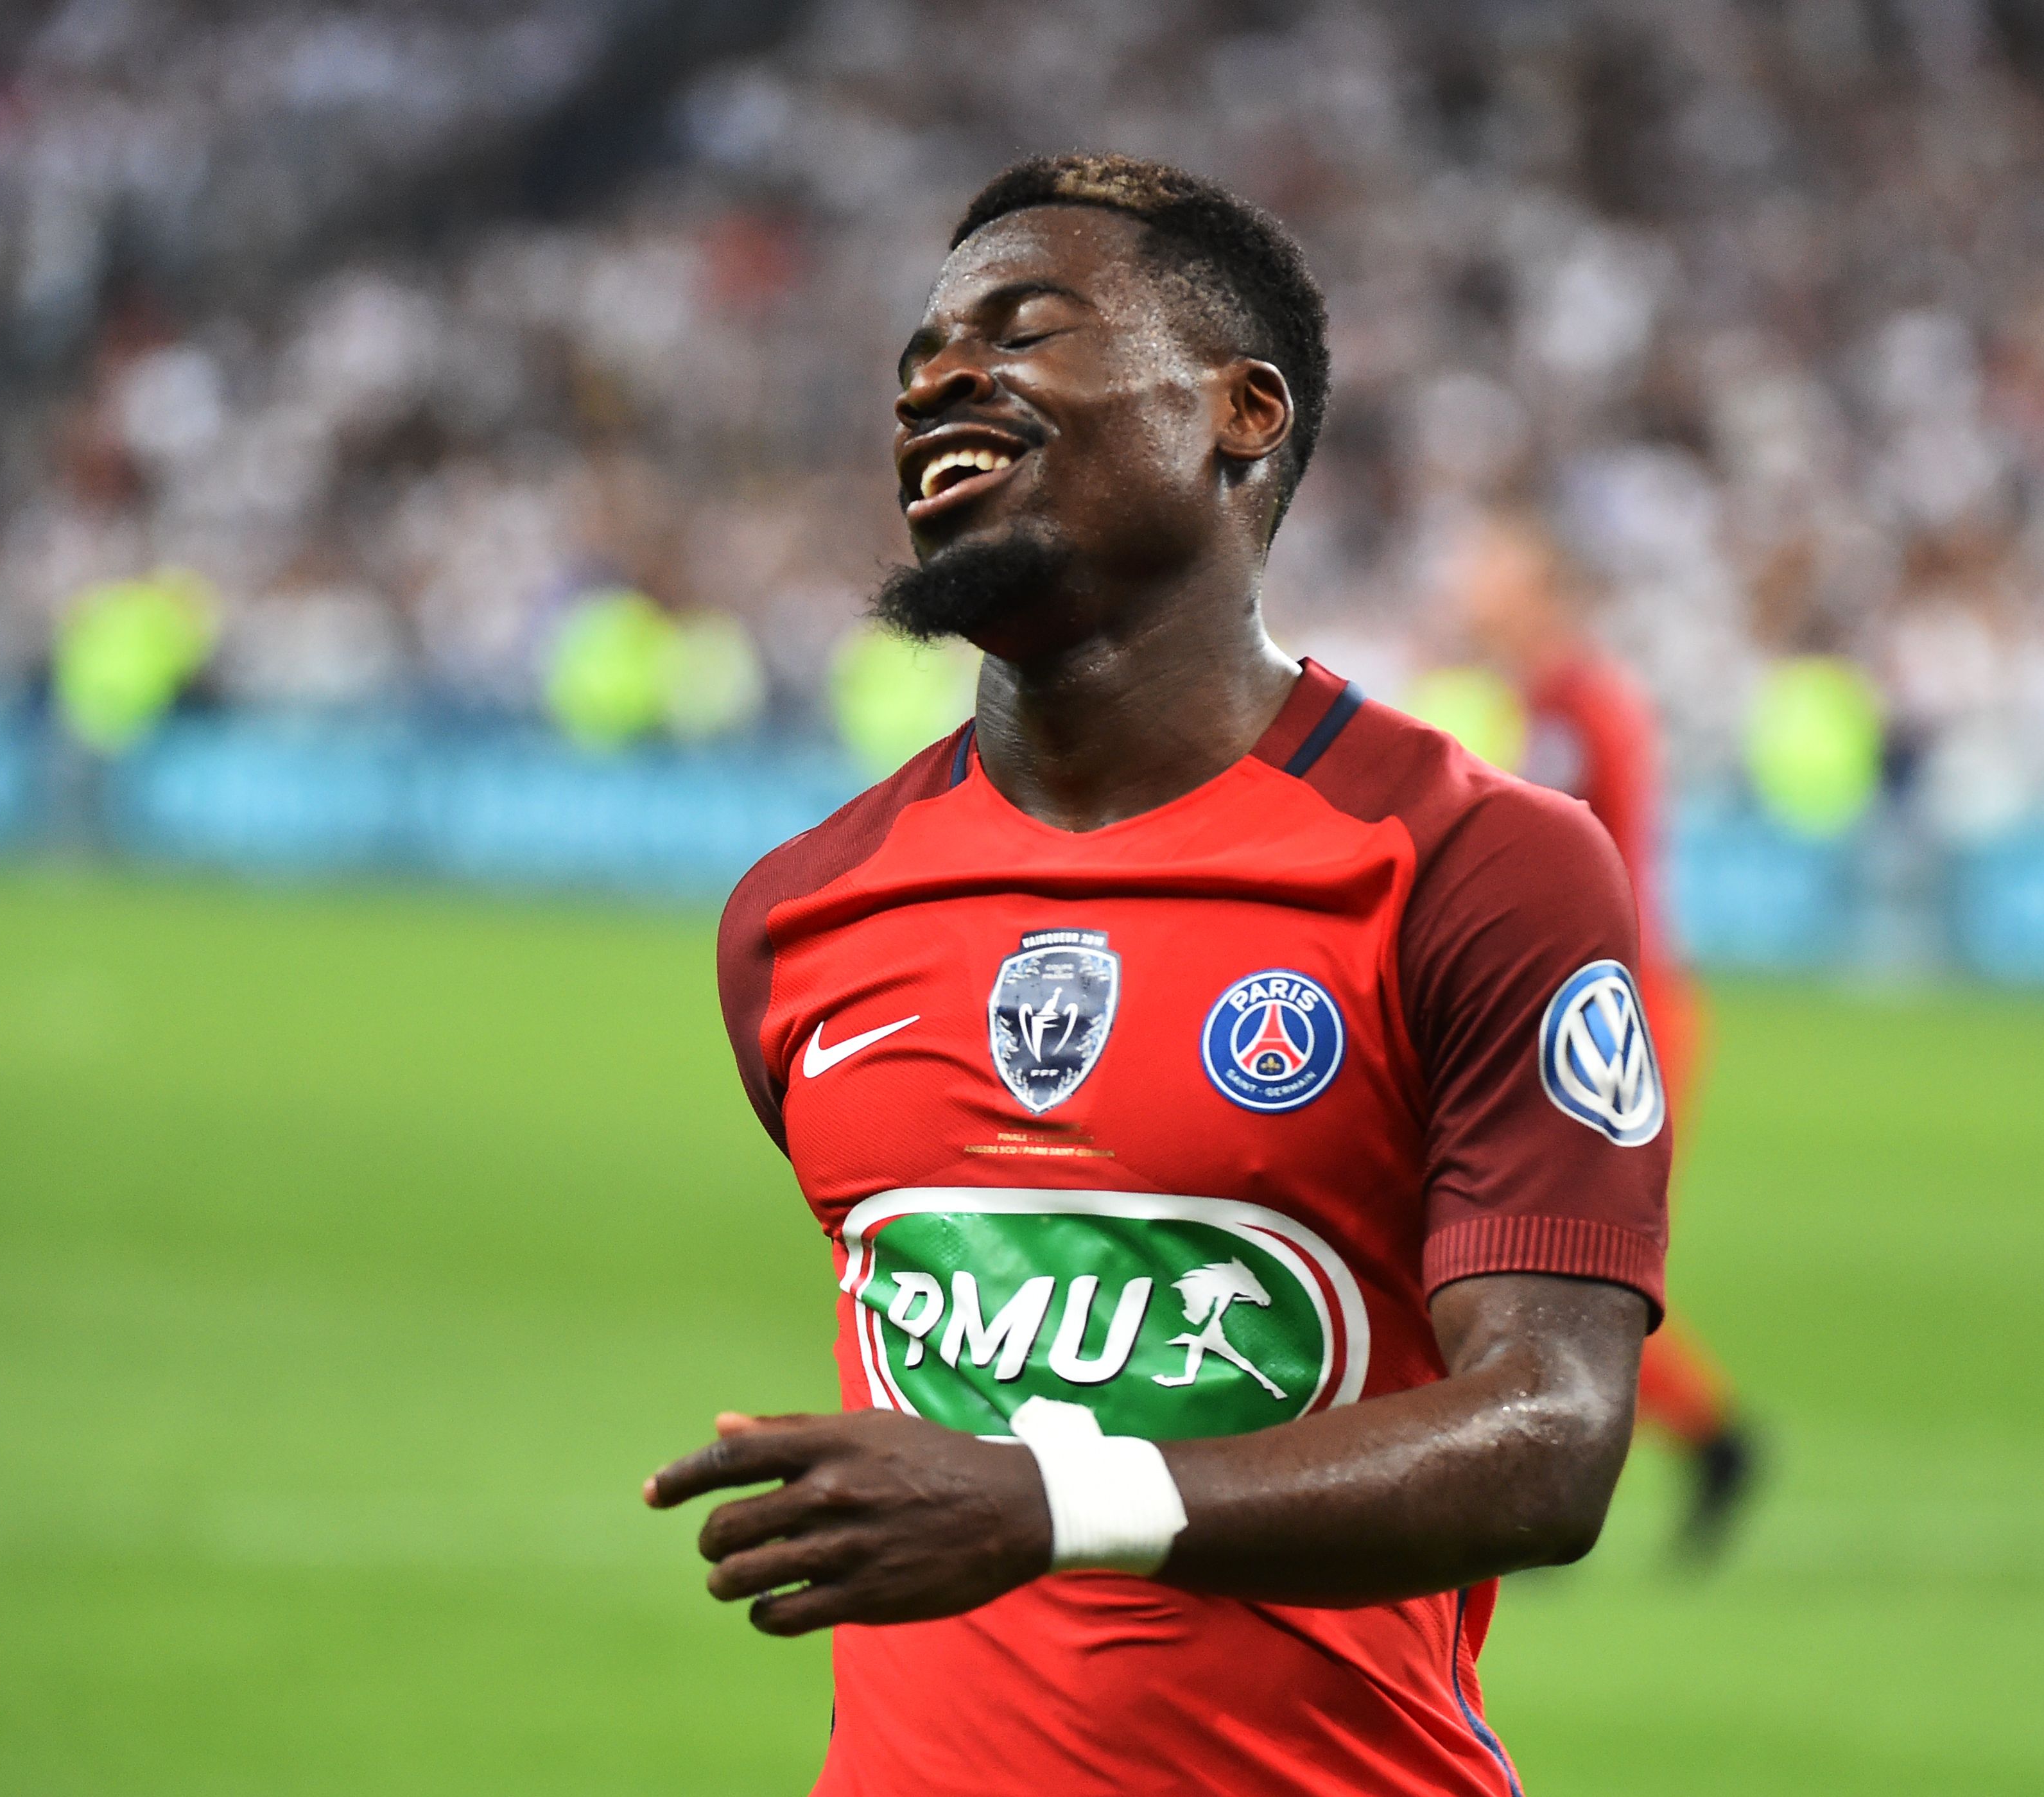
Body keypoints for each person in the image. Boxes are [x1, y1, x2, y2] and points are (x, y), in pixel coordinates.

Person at [646, 154, 1672, 1794]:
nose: (936, 381)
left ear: (1238, 413)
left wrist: (1054, 1499)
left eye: (1019, 327)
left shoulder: (1467, 864)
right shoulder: (797, 919)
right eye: (917, 356)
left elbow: (1551, 1433)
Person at [1437, 510, 1759, 1560]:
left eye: (1491, 569)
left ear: (1540, 591)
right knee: (1512, 1253)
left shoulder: (1569, 706)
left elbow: (1557, 860)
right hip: (1607, 999)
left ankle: (1673, 1445)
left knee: (1537, 1257)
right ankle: (1680, 1443)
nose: (1470, 587)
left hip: (1600, 1012)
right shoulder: (1563, 698)